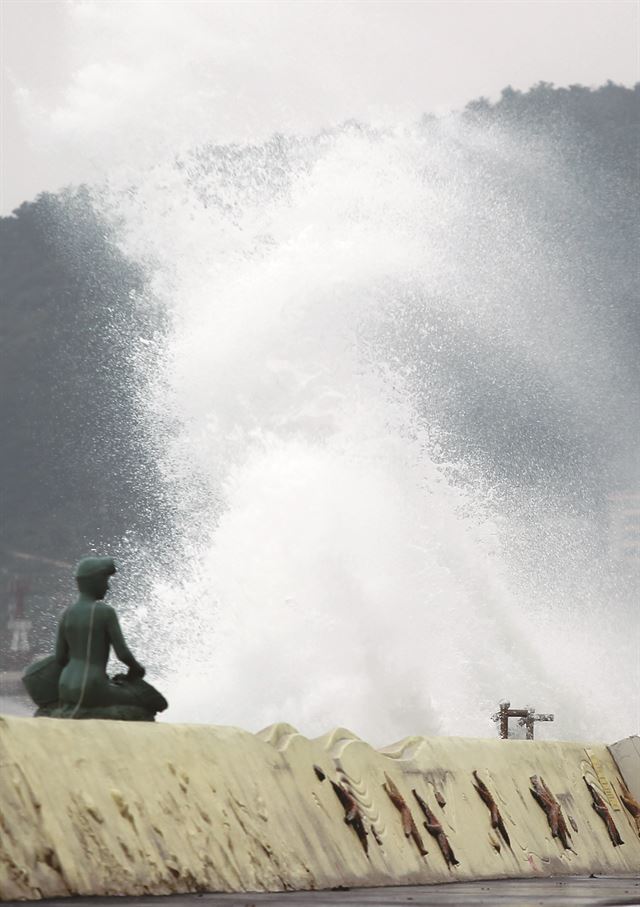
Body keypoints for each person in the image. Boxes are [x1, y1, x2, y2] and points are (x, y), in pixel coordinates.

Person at [22, 556, 167, 720]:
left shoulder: (66, 613)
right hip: (93, 687)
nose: (108, 587)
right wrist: (137, 669)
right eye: (105, 580)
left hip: (65, 686)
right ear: (95, 582)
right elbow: (122, 654)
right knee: (147, 701)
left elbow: (61, 657)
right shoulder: (105, 612)